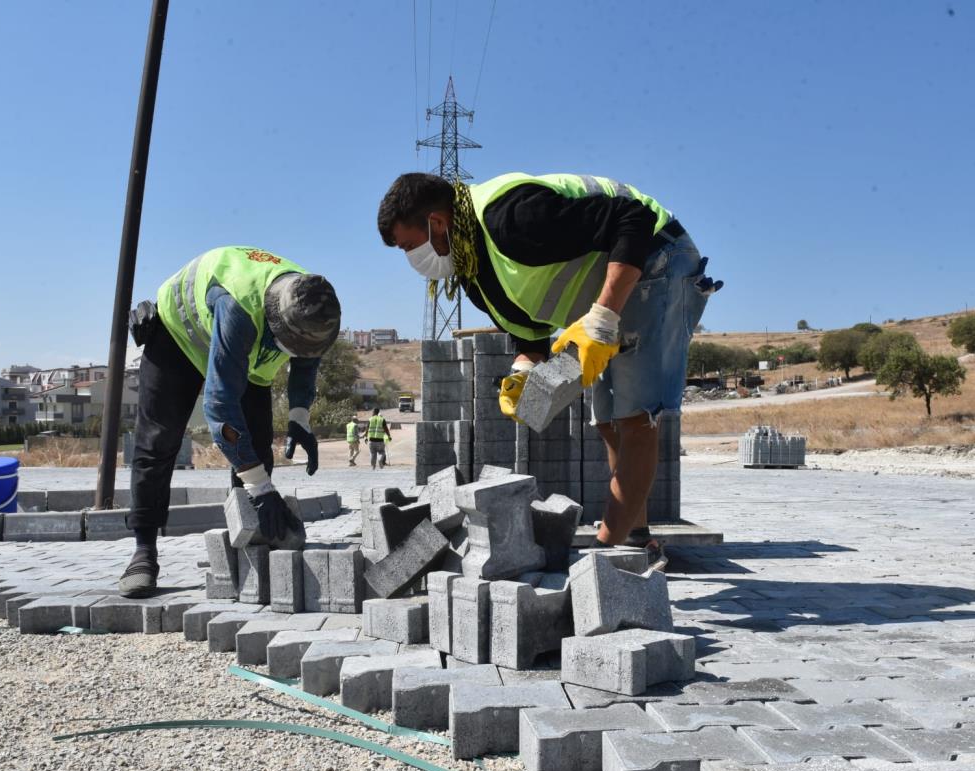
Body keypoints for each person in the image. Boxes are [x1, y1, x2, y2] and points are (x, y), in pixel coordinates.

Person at [377, 172, 721, 549]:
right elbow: (530, 334)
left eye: (409, 246)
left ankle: (607, 555)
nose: (411, 259)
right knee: (608, 421)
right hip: (612, 284)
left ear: (437, 223)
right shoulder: (475, 273)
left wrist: (603, 320)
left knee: (636, 417)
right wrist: (524, 373)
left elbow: (632, 219)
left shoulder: (510, 217)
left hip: (656, 255)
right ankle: (635, 538)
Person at [120, 246, 341, 595]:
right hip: (178, 339)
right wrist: (261, 488)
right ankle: (143, 551)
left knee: (256, 447)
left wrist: (300, 416)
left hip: (243, 354)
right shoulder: (240, 309)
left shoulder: (315, 305)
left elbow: (306, 361)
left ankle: (248, 547)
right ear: (275, 322)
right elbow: (220, 409)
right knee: (158, 442)